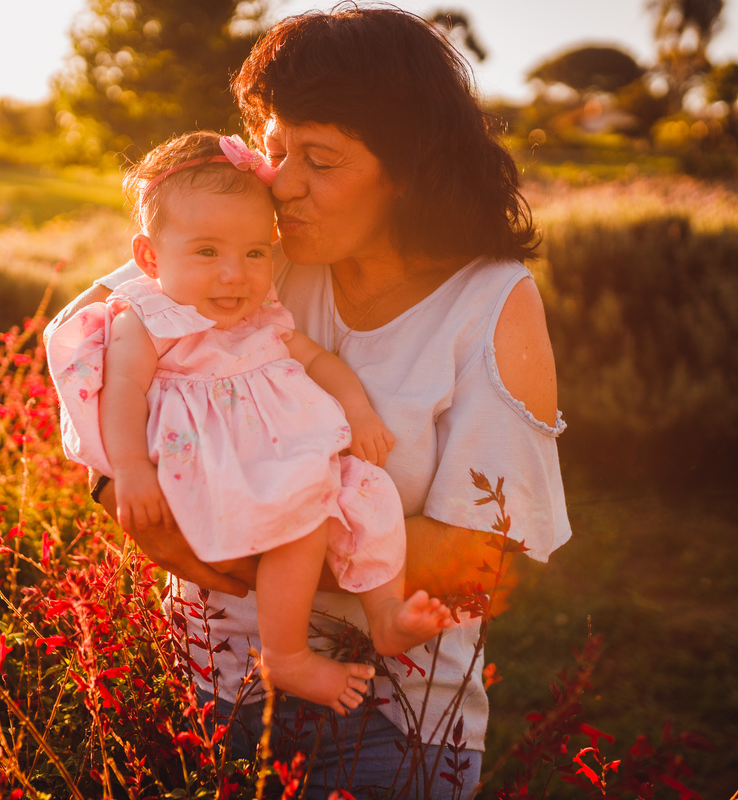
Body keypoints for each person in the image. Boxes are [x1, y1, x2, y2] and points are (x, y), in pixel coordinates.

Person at [54, 7, 571, 799]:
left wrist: (221, 527)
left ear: (410, 167)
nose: (281, 182)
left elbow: (475, 565)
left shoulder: (491, 302)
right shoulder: (257, 255)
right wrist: (114, 484)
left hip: (382, 718)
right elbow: (82, 337)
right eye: (274, 147)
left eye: (319, 158)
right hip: (201, 685)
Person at [45, 130, 455, 715]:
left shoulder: (263, 314)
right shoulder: (147, 315)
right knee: (299, 521)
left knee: (364, 491)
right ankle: (285, 656)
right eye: (208, 253)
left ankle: (385, 612)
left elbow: (319, 360)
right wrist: (129, 472)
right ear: (149, 258)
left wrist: (358, 410)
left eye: (255, 253)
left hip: (278, 460)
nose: (234, 274)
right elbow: (123, 390)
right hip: (214, 464)